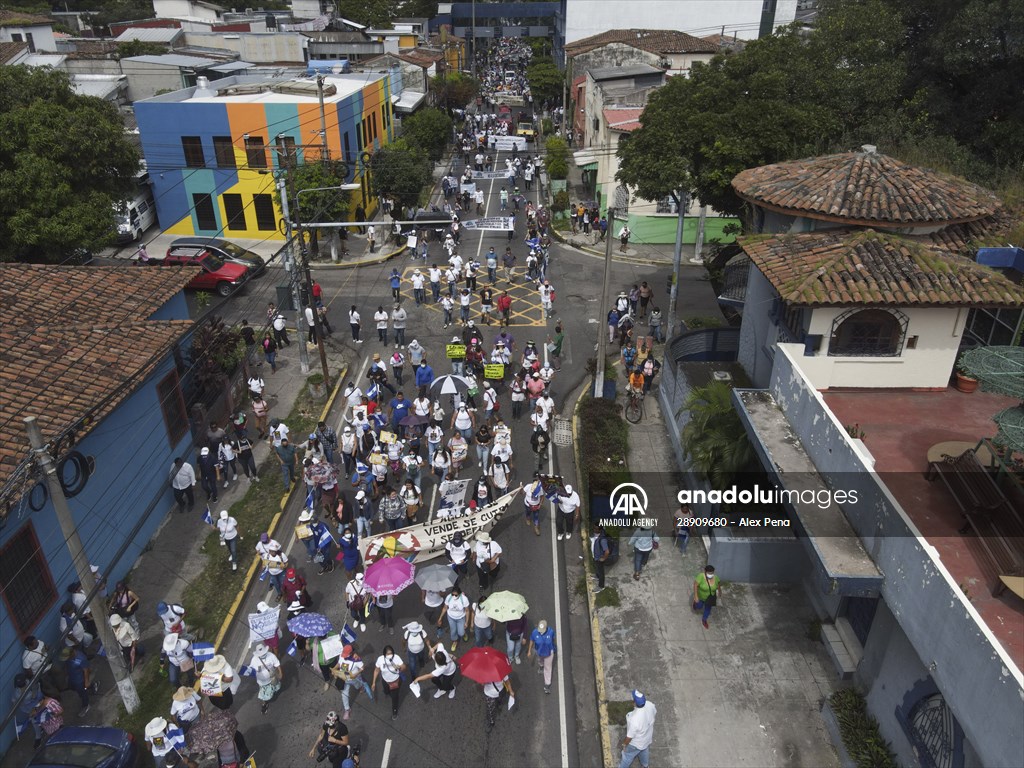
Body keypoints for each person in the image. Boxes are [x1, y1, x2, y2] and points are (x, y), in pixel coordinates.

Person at [619, 689, 657, 768]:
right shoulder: (650, 705)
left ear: (635, 703)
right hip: (647, 738)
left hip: (636, 743)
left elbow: (629, 737)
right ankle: (645, 765)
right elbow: (654, 712)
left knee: (627, 756)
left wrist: (624, 744)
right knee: (644, 750)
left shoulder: (634, 719)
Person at [372, 646, 407, 720]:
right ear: (384, 654)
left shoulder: (396, 658)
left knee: (394, 697)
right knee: (386, 690)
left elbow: (404, 667)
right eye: (387, 654)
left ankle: (394, 712)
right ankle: (387, 692)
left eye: (391, 653)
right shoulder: (380, 659)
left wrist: (400, 668)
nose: (389, 655)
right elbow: (376, 670)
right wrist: (374, 682)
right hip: (385, 680)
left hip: (395, 681)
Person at [249, 642, 282, 715]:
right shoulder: (254, 660)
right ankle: (264, 704)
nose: (263, 655)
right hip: (262, 682)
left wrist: (280, 673)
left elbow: (277, 664)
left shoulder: (271, 656)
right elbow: (252, 670)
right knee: (264, 696)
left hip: (272, 678)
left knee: (274, 686)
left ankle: (271, 694)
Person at [527, 618, 557, 694]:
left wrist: (554, 648)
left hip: (548, 654)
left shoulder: (551, 632)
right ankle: (541, 666)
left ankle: (547, 685)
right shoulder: (534, 632)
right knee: (540, 661)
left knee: (548, 668)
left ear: (546, 628)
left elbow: (553, 640)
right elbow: (531, 640)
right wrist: (529, 650)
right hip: (539, 652)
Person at [438, 584, 470, 652]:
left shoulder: (464, 599)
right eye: (453, 594)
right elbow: (445, 608)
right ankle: (455, 641)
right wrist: (440, 618)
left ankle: (463, 634)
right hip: (451, 617)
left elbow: (467, 611)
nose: (454, 596)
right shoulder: (449, 597)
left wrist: (466, 622)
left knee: (461, 632)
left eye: (456, 595)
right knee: (453, 631)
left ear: (460, 594)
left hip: (461, 618)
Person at [692, 564, 722, 629]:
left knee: (708, 609)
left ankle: (704, 620)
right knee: (699, 606)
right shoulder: (700, 577)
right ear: (705, 571)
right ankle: (695, 604)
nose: (710, 574)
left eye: (712, 573)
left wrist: (720, 592)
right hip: (701, 597)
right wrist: (696, 596)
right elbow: (695, 585)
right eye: (709, 573)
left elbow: (718, 585)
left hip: (710, 598)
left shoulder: (716, 578)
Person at [591, 524, 619, 593]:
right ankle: (597, 576)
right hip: (595, 555)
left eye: (596, 529)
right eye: (594, 528)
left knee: (601, 572)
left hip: (599, 557)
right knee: (597, 567)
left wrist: (603, 558)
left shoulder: (603, 540)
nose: (594, 530)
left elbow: (607, 551)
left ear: (600, 530)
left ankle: (601, 586)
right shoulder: (597, 535)